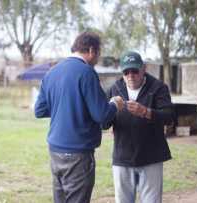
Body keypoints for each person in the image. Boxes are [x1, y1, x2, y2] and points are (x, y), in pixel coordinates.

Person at [34, 32, 124, 203]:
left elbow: (39, 110)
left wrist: (67, 108)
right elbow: (102, 115)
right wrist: (115, 104)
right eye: (98, 53)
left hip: (55, 151)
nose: (98, 59)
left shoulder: (52, 72)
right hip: (78, 153)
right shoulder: (86, 73)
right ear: (91, 50)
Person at [104, 51, 173, 203]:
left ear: (144, 69)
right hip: (122, 157)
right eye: (126, 71)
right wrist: (111, 109)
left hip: (151, 157)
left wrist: (146, 112)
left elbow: (169, 117)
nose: (130, 75)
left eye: (134, 70)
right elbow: (103, 123)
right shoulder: (114, 89)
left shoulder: (158, 87)